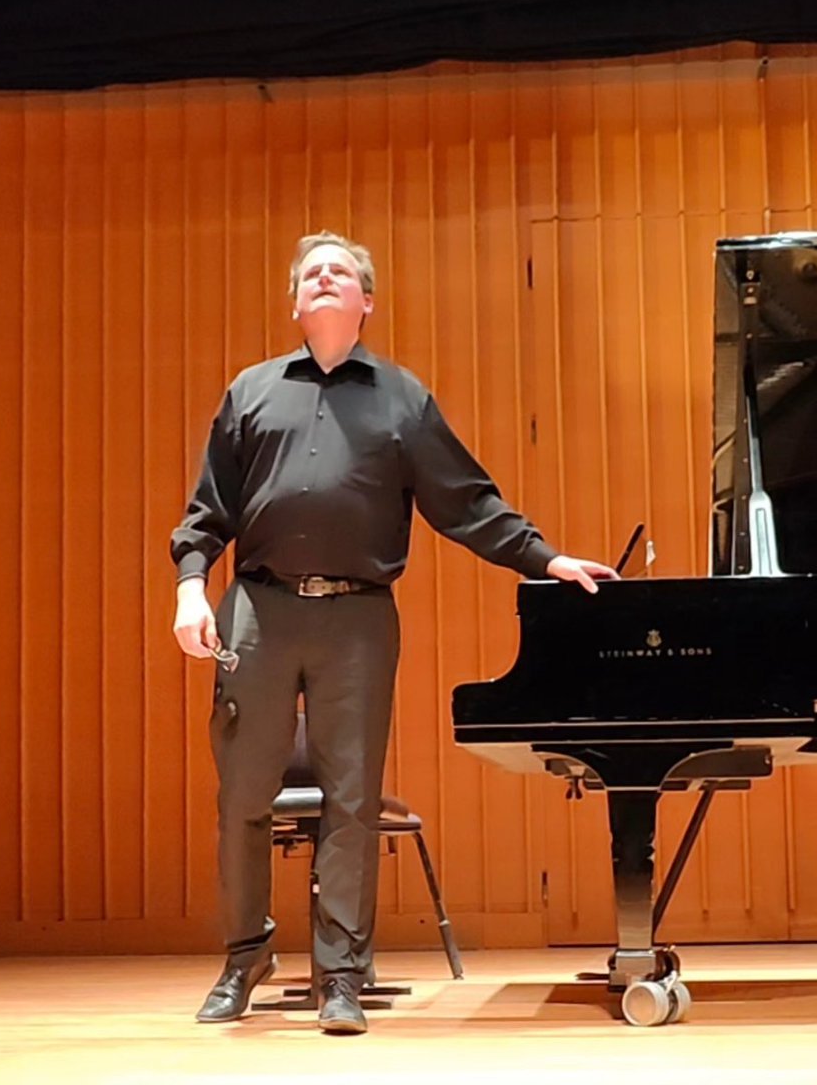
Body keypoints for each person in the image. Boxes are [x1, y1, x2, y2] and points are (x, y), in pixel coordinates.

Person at [171, 231, 617, 1034]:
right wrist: (189, 591)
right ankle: (245, 956)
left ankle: (341, 976)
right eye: (311, 272)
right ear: (297, 302)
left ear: (365, 302)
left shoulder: (402, 399)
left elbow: (468, 503)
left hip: (359, 621)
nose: (324, 277)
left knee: (351, 799)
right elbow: (209, 512)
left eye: (340, 271)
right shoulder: (251, 392)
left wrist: (544, 559)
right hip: (259, 612)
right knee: (243, 794)